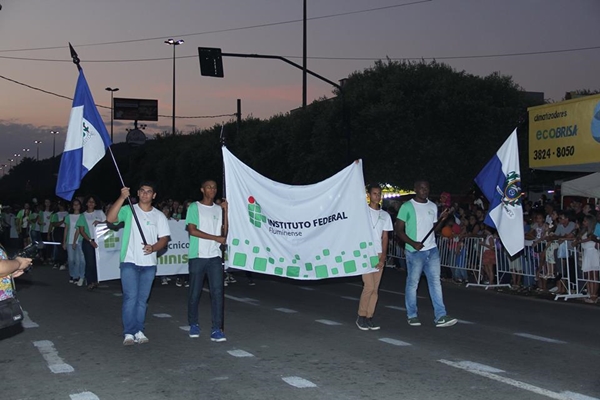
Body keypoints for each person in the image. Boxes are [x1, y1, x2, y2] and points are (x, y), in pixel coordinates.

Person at [106, 182, 171, 346]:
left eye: (149, 191)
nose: (145, 194)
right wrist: (122, 198)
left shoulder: (159, 216)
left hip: (149, 264)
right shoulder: (129, 210)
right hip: (129, 261)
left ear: (154, 195)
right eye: (142, 191)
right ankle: (129, 332)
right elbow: (110, 219)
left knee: (142, 300)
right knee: (130, 298)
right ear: (138, 193)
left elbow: (164, 239)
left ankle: (139, 330)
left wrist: (153, 247)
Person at [395, 180, 458, 328]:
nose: (424, 190)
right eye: (422, 188)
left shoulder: (432, 206)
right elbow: (399, 230)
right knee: (413, 284)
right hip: (415, 252)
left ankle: (441, 315)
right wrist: (412, 243)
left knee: (435, 282)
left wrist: (442, 219)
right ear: (415, 189)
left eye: (427, 188)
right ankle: (412, 315)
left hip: (432, 250)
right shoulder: (406, 206)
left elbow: (434, 229)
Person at [186, 180, 228, 342]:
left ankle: (217, 328)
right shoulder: (194, 207)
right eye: (209, 187)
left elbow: (224, 231)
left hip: (214, 256)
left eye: (215, 187)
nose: (213, 189)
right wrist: (215, 238)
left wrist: (226, 212)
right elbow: (192, 230)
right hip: (198, 256)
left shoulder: (218, 209)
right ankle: (193, 324)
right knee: (195, 292)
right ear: (202, 190)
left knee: (217, 292)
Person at [356, 184, 393, 331]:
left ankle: (369, 317)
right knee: (369, 286)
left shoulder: (385, 216)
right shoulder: (362, 212)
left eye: (379, 194)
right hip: (365, 252)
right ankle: (361, 315)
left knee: (375, 289)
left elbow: (385, 237)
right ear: (369, 195)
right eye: (374, 193)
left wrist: (383, 256)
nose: (377, 196)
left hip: (378, 253)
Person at [77, 195, 106, 290]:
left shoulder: (100, 213)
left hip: (99, 240)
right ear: (86, 203)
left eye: (93, 202)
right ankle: (89, 281)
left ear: (95, 204)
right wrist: (90, 240)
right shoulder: (83, 215)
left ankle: (96, 280)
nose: (91, 203)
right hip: (88, 241)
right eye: (89, 201)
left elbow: (107, 223)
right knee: (90, 262)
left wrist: (100, 223)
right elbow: (81, 231)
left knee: (97, 262)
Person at [64, 199, 85, 286]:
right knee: (71, 259)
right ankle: (72, 274)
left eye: (78, 204)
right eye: (74, 204)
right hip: (70, 240)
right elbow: (66, 229)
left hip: (79, 240)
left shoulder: (82, 216)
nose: (76, 206)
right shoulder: (69, 216)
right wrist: (64, 241)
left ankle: (76, 276)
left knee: (78, 260)